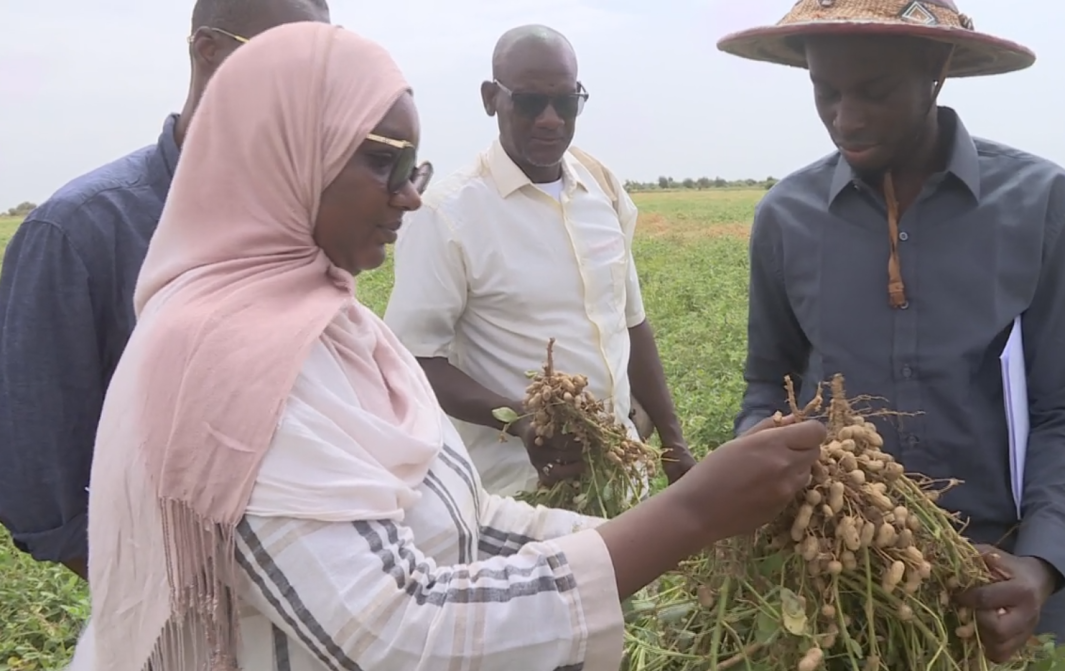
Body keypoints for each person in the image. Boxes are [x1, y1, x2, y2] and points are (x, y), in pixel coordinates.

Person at [71, 21, 828, 671]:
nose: (405, 193)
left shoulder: (335, 322)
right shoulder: (226, 357)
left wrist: (679, 528)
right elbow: (395, 630)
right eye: (381, 162)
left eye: (413, 167)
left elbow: (462, 521)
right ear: (285, 153)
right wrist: (688, 516)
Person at [717, 1, 1065, 668]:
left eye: (874, 92)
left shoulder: (1040, 201)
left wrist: (1039, 562)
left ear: (937, 70)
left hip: (999, 583)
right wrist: (762, 457)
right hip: (840, 587)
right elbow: (767, 381)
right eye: (826, 92)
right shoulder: (787, 216)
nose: (847, 118)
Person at [0, 0, 331, 582]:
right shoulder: (78, 232)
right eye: (285, 62)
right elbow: (40, 489)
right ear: (209, 50)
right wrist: (173, 603)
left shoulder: (310, 223)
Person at [383, 24, 696, 499]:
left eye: (566, 102)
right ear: (492, 98)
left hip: (620, 476)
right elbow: (415, 359)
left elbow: (631, 323)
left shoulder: (601, 189)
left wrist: (673, 443)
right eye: (529, 102)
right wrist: (521, 418)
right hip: (520, 493)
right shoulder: (447, 215)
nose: (551, 119)